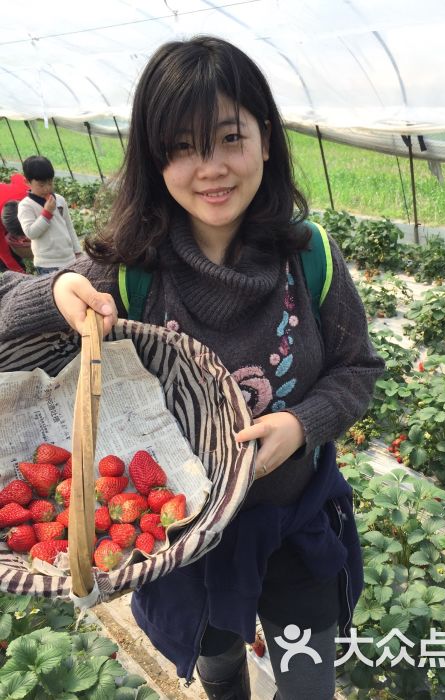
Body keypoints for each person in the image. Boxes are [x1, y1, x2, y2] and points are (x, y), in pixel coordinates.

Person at [0, 37, 384, 699]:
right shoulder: (129, 270)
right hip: (184, 547)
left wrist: (300, 424)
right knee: (219, 671)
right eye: (181, 147)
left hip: (294, 518)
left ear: (265, 137)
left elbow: (357, 370)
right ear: (155, 159)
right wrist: (55, 291)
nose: (209, 168)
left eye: (229, 138)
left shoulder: (309, 256)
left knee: (308, 683)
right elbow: (9, 310)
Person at [17, 155, 82, 274]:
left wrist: (77, 251)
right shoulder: (26, 206)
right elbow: (31, 233)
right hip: (47, 264)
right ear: (27, 182)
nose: (47, 188)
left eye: (50, 183)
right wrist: (47, 213)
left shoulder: (60, 200)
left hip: (69, 259)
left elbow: (69, 226)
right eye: (41, 185)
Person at [0, 172, 28, 273]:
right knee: (4, 262)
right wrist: (21, 273)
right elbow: (4, 254)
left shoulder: (26, 193)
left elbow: (16, 176)